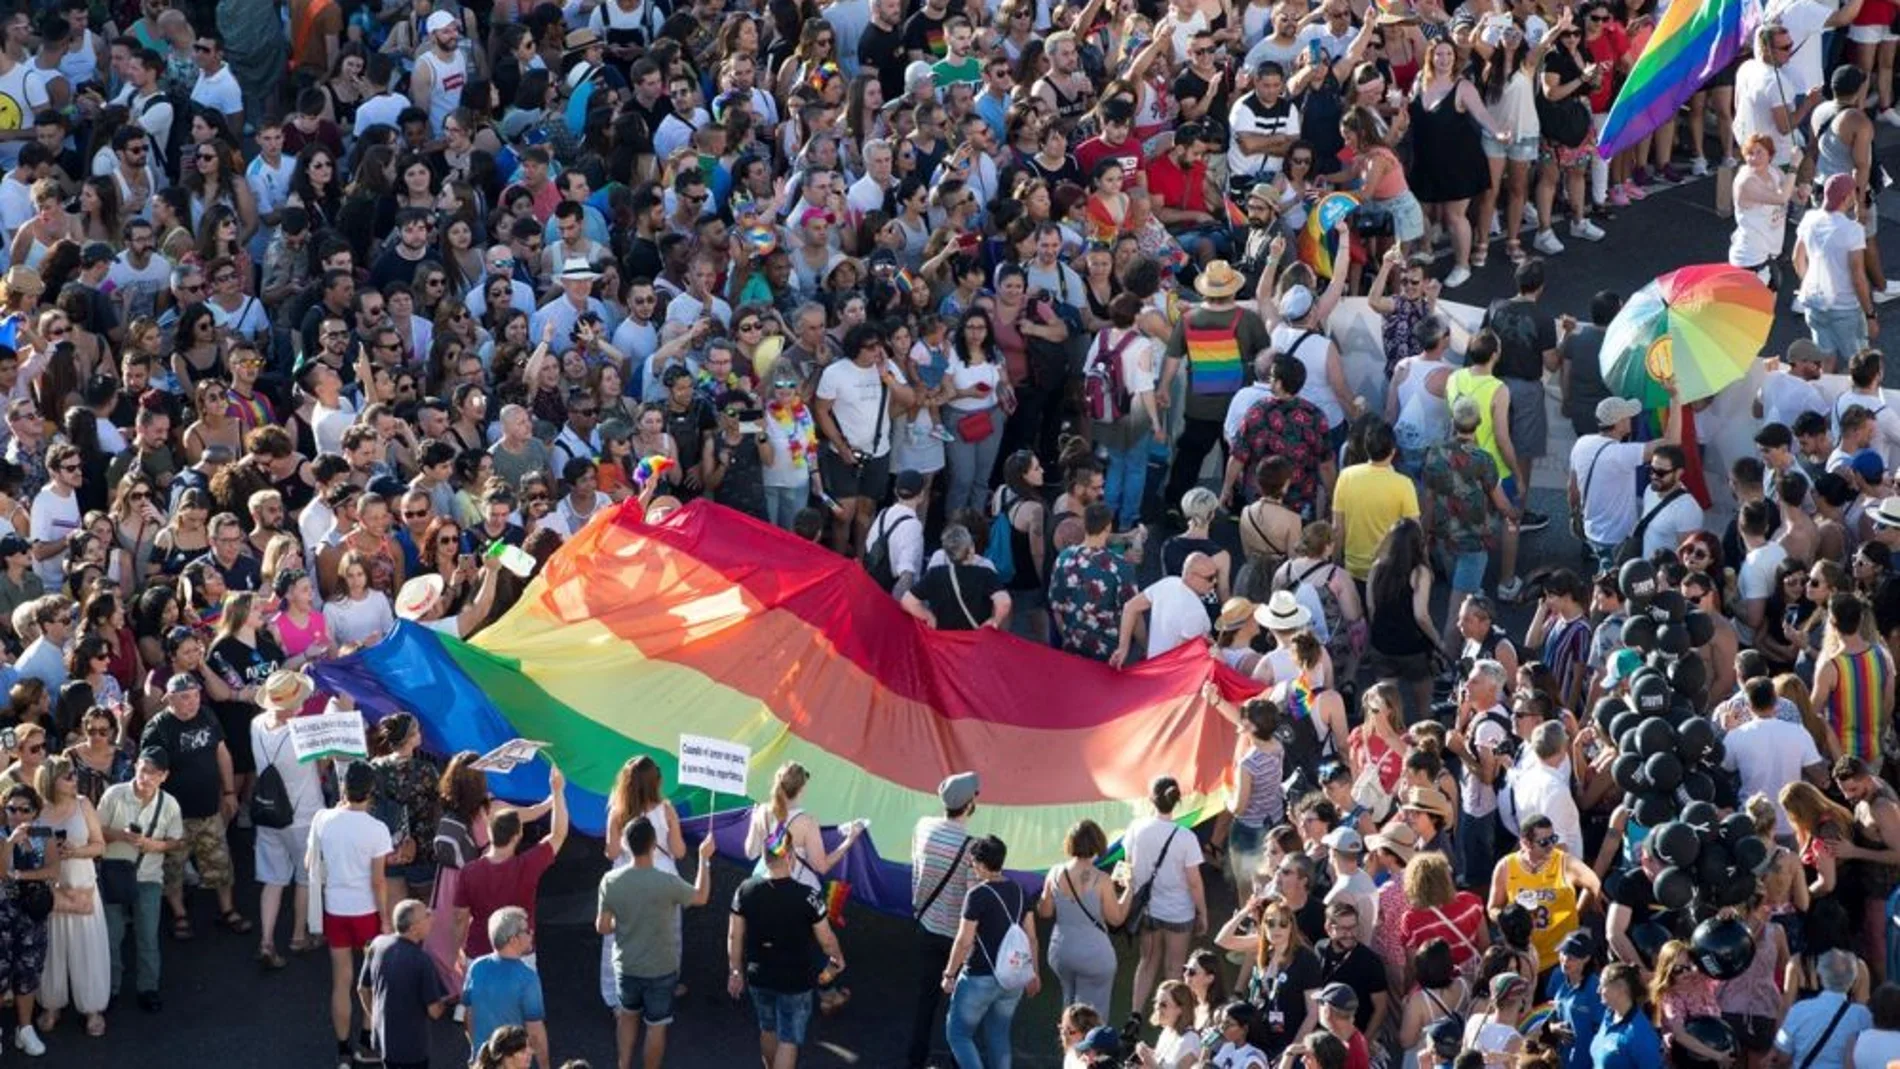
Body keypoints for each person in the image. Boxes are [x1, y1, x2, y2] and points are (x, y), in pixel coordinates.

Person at [596, 816, 717, 1069]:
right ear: (653, 845)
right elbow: (701, 897)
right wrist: (704, 859)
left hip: (626, 966)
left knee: (627, 1017)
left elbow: (602, 926)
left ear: (626, 844)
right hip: (662, 969)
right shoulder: (667, 882)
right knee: (656, 1027)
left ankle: (623, 1065)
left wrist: (625, 922)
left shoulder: (611, 881)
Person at [727, 822, 846, 1069]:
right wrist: (837, 958)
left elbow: (734, 936)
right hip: (796, 979)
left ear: (764, 857)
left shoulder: (744, 890)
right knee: (788, 1039)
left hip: (759, 975)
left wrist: (735, 970)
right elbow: (826, 939)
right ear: (790, 857)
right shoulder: (808, 896)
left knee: (767, 1029)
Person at [308, 760, 394, 1068]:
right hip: (367, 911)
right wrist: (385, 918)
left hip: (335, 908)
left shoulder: (323, 819)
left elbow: (311, 864)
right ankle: (366, 1041)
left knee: (341, 980)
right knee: (368, 980)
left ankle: (342, 1050)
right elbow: (378, 881)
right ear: (371, 792)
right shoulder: (378, 830)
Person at [941, 834, 1039, 1069]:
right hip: (1013, 977)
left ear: (983, 864)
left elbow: (964, 940)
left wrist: (949, 974)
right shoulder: (1019, 890)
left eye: (973, 862)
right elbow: (1032, 937)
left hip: (979, 976)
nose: (972, 866)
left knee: (959, 1035)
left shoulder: (977, 895)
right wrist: (1033, 973)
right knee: (999, 1036)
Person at [94, 747, 181, 1013]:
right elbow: (95, 832)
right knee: (111, 935)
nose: (146, 778)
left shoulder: (169, 804)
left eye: (153, 774)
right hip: (113, 874)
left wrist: (151, 845)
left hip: (148, 876)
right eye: (143, 770)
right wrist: (120, 835)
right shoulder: (114, 795)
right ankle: (111, 988)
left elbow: (175, 841)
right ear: (135, 767)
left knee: (147, 936)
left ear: (164, 776)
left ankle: (148, 988)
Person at [909, 771, 980, 1069]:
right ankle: (955, 1062)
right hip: (956, 937)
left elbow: (916, 868)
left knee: (925, 1002)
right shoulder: (972, 848)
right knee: (959, 1008)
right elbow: (973, 899)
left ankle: (915, 1061)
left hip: (926, 924)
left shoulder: (924, 827)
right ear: (970, 804)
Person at [1126, 776, 1207, 1011]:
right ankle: (1169, 1019)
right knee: (1174, 967)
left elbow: (1129, 866)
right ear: (1177, 801)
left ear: (1151, 799)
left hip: (1148, 910)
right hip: (1178, 913)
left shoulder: (1136, 829)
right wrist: (1202, 913)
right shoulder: (1186, 838)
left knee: (1147, 961)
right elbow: (1194, 883)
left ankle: (1135, 1014)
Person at [358, 899, 451, 1069]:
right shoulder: (422, 961)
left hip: (384, 1040)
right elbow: (435, 1011)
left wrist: (375, 1018)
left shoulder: (378, 944)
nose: (431, 918)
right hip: (412, 1049)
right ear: (414, 928)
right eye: (426, 915)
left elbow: (363, 989)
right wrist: (448, 998)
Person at [463, 907, 549, 1069]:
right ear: (513, 940)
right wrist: (545, 1066)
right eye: (526, 930)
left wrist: (476, 1052)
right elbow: (535, 1033)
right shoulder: (527, 978)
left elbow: (469, 1017)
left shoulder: (477, 967)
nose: (531, 933)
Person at [1776, 949, 1873, 1069]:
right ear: (1852, 979)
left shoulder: (1799, 1010)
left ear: (1821, 975)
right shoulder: (1863, 1016)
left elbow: (1782, 1055)